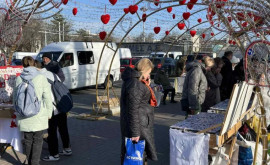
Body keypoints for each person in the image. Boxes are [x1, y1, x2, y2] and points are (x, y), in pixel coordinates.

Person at [13, 56, 53, 165]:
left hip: (24, 114)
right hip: (38, 114)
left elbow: (15, 99)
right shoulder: (41, 77)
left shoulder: (19, 78)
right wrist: (49, 112)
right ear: (34, 64)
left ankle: (28, 162)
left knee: (28, 140)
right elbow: (47, 97)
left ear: (23, 65)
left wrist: (17, 112)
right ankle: (34, 162)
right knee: (38, 140)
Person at [120, 58, 158, 165]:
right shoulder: (136, 84)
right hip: (138, 127)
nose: (148, 76)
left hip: (138, 125)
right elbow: (133, 110)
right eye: (148, 73)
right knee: (136, 156)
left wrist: (146, 84)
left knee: (139, 155)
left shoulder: (135, 82)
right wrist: (135, 132)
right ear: (144, 70)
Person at [33, 61, 72, 161]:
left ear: (36, 68)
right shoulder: (53, 74)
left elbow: (42, 95)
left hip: (51, 108)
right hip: (61, 106)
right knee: (63, 128)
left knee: (52, 132)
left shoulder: (39, 78)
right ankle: (67, 149)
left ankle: (54, 154)